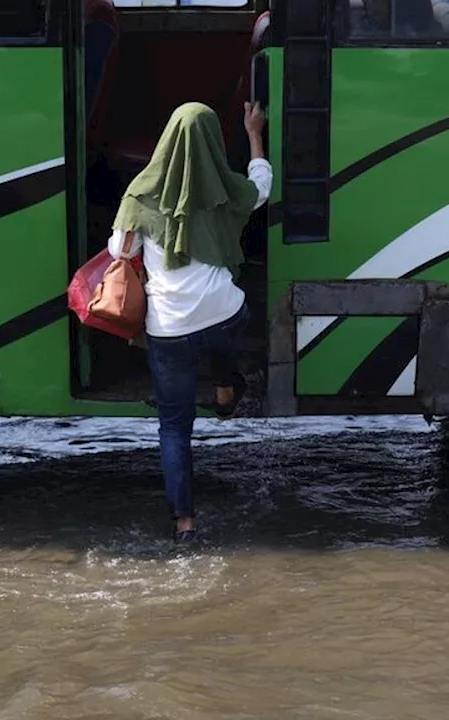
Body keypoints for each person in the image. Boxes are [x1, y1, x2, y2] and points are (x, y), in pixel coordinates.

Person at [107, 101, 272, 544]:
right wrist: (254, 133)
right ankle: (224, 387)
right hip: (223, 313)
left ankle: (185, 522)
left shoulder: (140, 195)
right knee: (229, 319)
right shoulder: (225, 189)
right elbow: (262, 188)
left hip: (169, 330)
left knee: (174, 427)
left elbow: (119, 252)